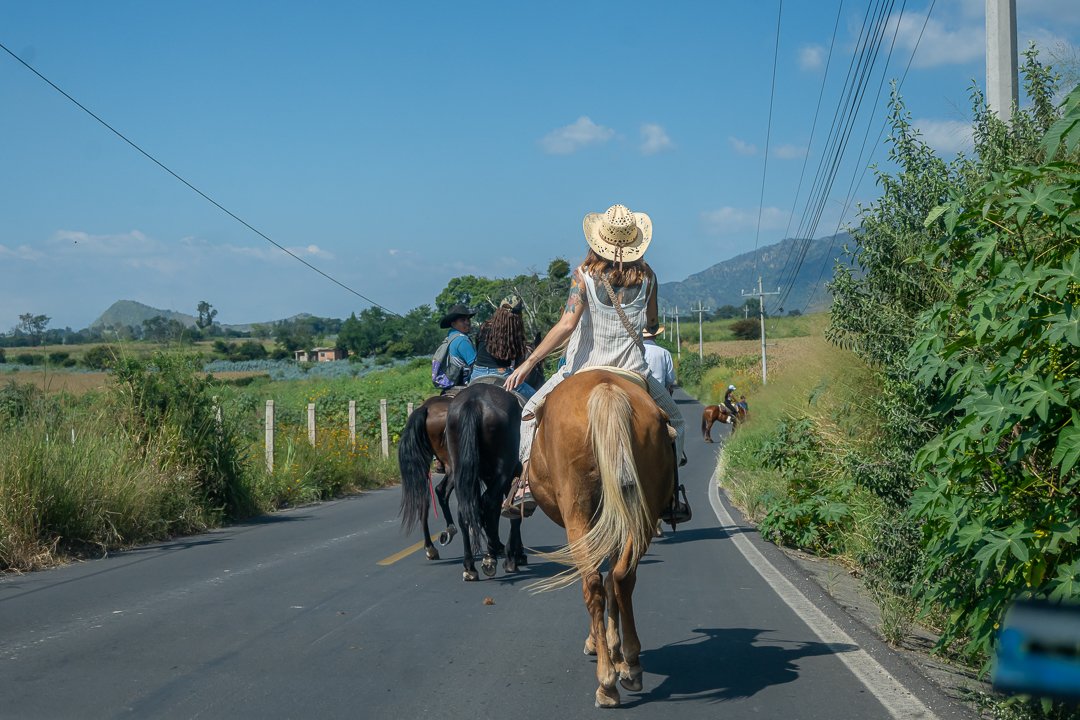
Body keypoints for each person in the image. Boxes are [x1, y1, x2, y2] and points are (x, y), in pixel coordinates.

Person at [504, 203, 687, 515]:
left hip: (582, 369)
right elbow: (652, 324)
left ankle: (523, 485)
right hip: (633, 373)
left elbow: (566, 325)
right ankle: (671, 496)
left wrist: (529, 362)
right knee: (677, 422)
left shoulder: (583, 277)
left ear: (598, 240)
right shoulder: (649, 279)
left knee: (529, 415)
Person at [469, 295, 537, 400]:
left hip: (477, 373)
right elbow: (517, 361)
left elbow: (478, 349)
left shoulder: (484, 327)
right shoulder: (514, 333)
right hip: (501, 374)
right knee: (537, 398)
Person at [431, 303, 476, 395]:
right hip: (464, 382)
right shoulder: (462, 340)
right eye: (463, 320)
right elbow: (476, 364)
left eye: (468, 319)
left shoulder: (451, 337)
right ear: (453, 324)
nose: (467, 322)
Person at [642, 324, 675, 395]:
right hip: (659, 392)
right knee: (672, 406)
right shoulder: (664, 353)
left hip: (640, 391)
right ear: (655, 335)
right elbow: (670, 379)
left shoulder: (636, 350)